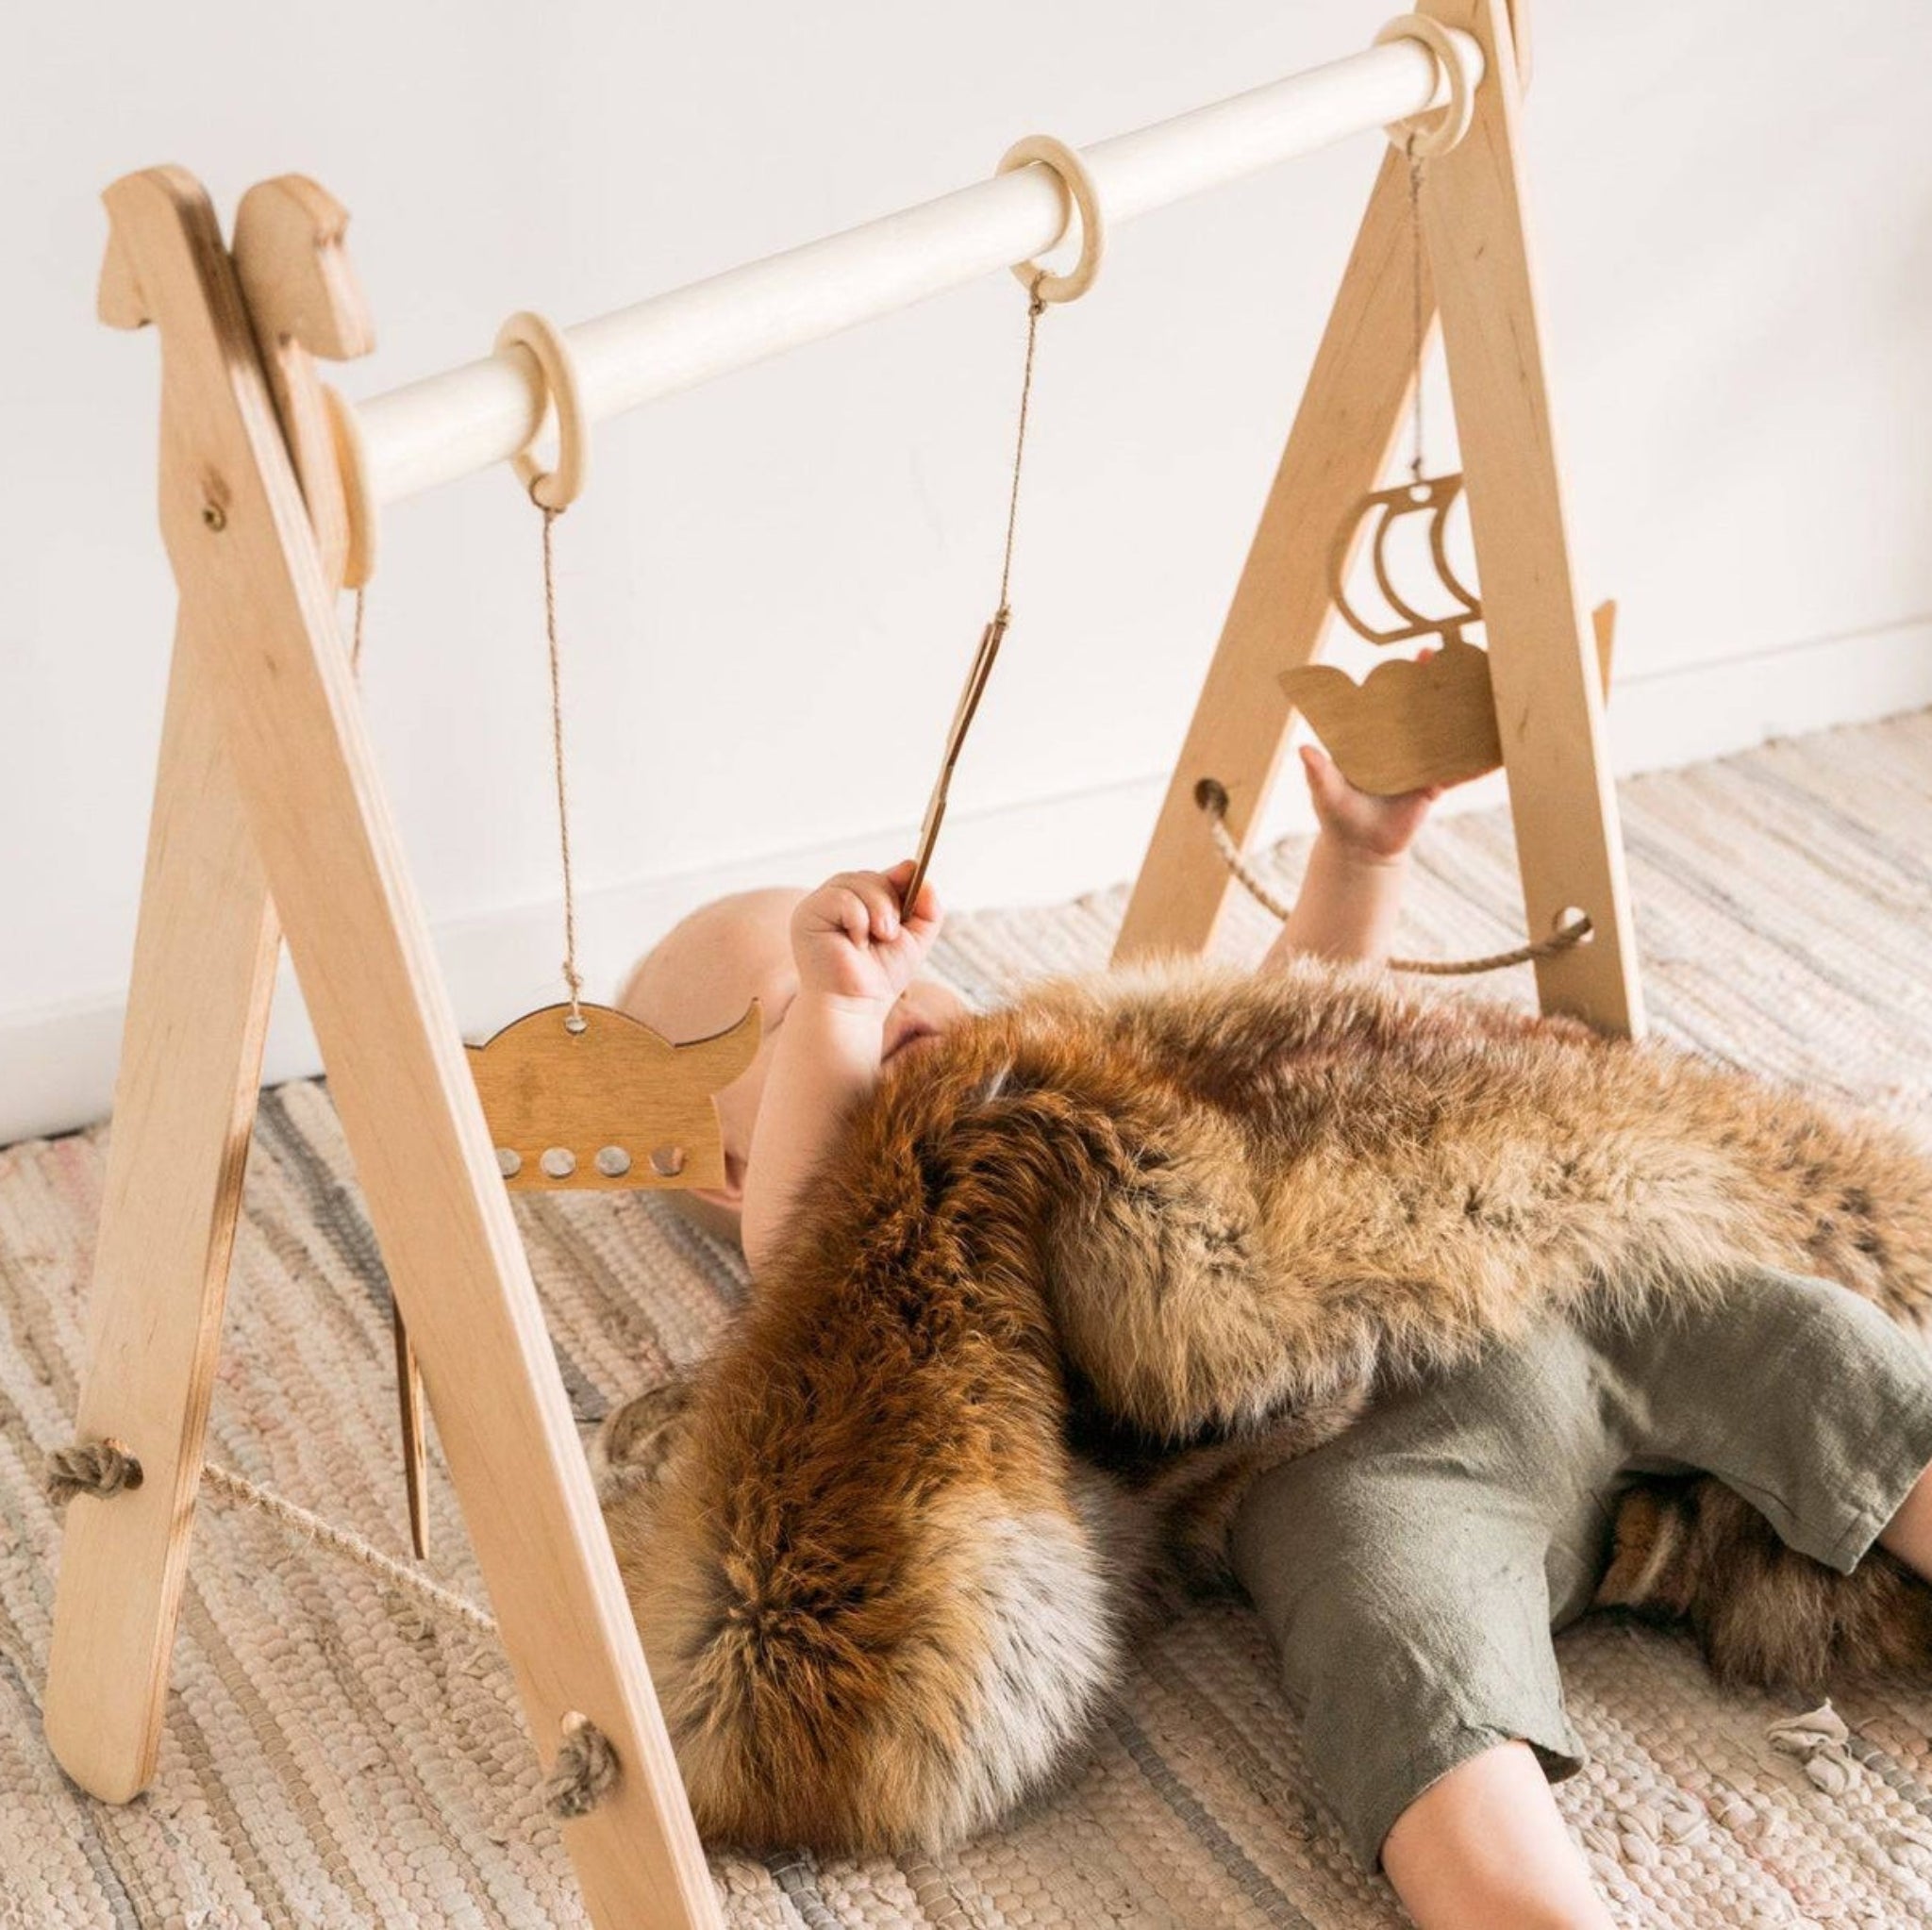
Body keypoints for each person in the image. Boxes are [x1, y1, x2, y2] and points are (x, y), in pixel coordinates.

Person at [618, 743, 1932, 1930]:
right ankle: (1519, 1904)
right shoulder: (885, 1253)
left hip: (1548, 1297)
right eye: (788, 1010)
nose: (869, 975)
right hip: (1339, 1465)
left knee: (1803, 1341)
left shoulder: (1076, 1065)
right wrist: (838, 1021)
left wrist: (1361, 856)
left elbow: (1299, 1035)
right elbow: (816, 1253)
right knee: (1392, 1647)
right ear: (736, 1167)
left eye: (892, 966)